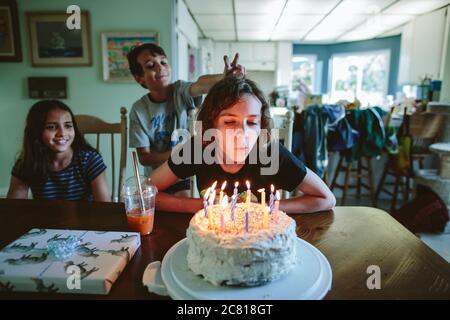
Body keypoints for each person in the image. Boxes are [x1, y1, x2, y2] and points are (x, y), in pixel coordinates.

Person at [150, 77, 336, 214]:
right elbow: (145, 193)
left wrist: (266, 208)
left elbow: (326, 199)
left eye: (253, 123)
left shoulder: (270, 153)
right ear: (211, 125)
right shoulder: (198, 148)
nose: (243, 134)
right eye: (230, 122)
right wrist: (201, 204)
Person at [127, 43, 246, 195]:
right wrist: (183, 152)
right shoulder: (139, 110)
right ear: (139, 78)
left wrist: (223, 78)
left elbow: (200, 85)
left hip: (183, 177)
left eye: (163, 62)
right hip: (156, 178)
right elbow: (144, 157)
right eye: (151, 66)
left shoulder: (180, 91)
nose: (160, 68)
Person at [7, 100, 110, 202]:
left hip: (84, 218)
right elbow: (14, 207)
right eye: (51, 127)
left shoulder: (89, 160)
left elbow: (104, 208)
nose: (62, 133)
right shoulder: (27, 162)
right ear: (36, 131)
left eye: (68, 126)